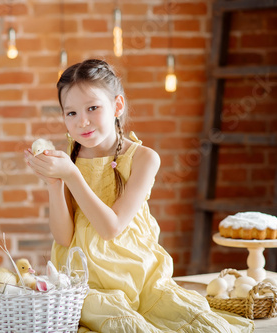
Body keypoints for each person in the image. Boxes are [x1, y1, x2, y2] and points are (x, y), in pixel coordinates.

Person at [24, 59, 253, 333]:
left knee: (181, 319)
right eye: (70, 113)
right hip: (83, 276)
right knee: (114, 319)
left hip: (134, 272)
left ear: (117, 106)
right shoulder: (71, 158)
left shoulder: (144, 159)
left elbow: (111, 228)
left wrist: (71, 176)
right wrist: (54, 184)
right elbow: (63, 238)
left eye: (93, 108)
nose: (82, 121)